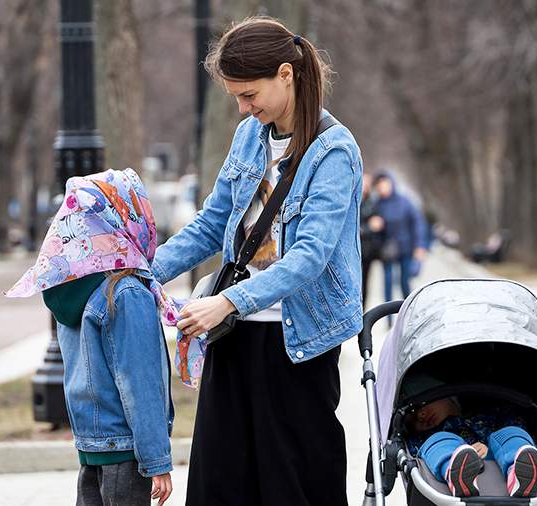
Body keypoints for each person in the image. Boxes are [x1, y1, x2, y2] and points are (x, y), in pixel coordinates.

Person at [151, 16, 363, 505]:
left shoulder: (334, 151)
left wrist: (227, 301)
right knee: (220, 482)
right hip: (235, 334)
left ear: (286, 75)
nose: (245, 108)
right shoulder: (250, 136)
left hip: (299, 341)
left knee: (293, 483)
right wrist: (144, 273)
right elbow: (211, 224)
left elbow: (309, 256)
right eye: (237, 98)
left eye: (250, 95)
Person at [6, 169, 176, 506]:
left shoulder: (70, 288)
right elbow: (139, 384)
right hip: (126, 451)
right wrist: (158, 460)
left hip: (92, 447)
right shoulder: (125, 292)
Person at [406, 396, 537, 499]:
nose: (420, 415)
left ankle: (519, 473)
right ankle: (456, 473)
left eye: (420, 404)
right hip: (451, 463)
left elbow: (522, 423)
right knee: (437, 442)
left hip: (498, 457)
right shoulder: (422, 438)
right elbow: (414, 453)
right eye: (411, 420)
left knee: (512, 433)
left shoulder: (491, 412)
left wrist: (488, 447)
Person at [373, 172, 428, 302]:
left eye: (385, 184)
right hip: (387, 250)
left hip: (406, 248)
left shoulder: (404, 202)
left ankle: (409, 312)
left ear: (391, 183)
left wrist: (420, 245)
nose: (382, 187)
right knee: (387, 283)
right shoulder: (377, 205)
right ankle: (388, 318)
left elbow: (417, 223)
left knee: (404, 282)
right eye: (379, 185)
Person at [360, 172, 384, 304]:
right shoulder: (353, 201)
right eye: (364, 182)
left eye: (368, 183)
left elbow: (378, 224)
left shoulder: (372, 202)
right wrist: (368, 228)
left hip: (368, 252)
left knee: (365, 285)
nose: (366, 185)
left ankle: (364, 316)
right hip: (354, 252)